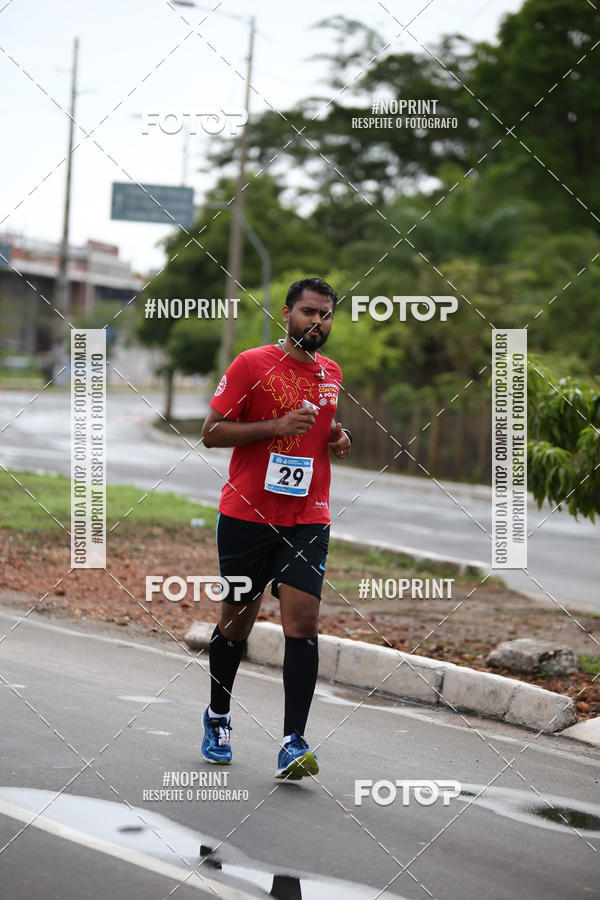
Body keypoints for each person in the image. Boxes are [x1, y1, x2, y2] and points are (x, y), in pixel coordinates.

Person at [200, 276, 352, 779]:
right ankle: (218, 716)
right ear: (287, 313)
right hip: (246, 515)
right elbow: (212, 433)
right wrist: (274, 427)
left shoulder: (331, 372)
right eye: (309, 312)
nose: (317, 322)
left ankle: (292, 741)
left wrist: (335, 435)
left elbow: (320, 420)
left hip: (308, 516)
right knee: (237, 623)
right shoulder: (252, 364)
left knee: (303, 622)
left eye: (325, 314)